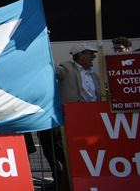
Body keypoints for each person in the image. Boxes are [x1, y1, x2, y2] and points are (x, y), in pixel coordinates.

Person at [39, 43, 101, 191]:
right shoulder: (67, 68)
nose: (93, 56)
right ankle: (64, 182)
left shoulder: (95, 76)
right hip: (72, 118)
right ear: (79, 55)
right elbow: (53, 71)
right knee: (66, 151)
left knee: (89, 151)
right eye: (89, 53)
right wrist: (41, 55)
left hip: (91, 119)